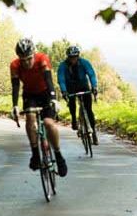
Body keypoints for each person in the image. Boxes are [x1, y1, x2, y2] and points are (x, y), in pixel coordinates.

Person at [10, 38, 67, 176]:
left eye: (29, 59)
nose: (26, 62)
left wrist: (53, 99)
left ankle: (58, 156)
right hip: (30, 95)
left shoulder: (42, 58)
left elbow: (49, 80)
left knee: (48, 123)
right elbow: (16, 86)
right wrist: (15, 106)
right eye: (22, 60)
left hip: (45, 93)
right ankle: (35, 153)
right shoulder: (14, 65)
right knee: (30, 118)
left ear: (33, 55)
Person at [57, 45, 99, 145]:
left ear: (78, 56)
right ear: (68, 57)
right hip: (70, 87)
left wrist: (94, 86)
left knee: (89, 110)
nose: (73, 59)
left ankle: (93, 132)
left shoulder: (84, 62)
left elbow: (91, 74)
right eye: (71, 57)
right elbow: (61, 79)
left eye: (75, 57)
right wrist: (64, 91)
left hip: (83, 86)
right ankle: (74, 119)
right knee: (72, 103)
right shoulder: (63, 66)